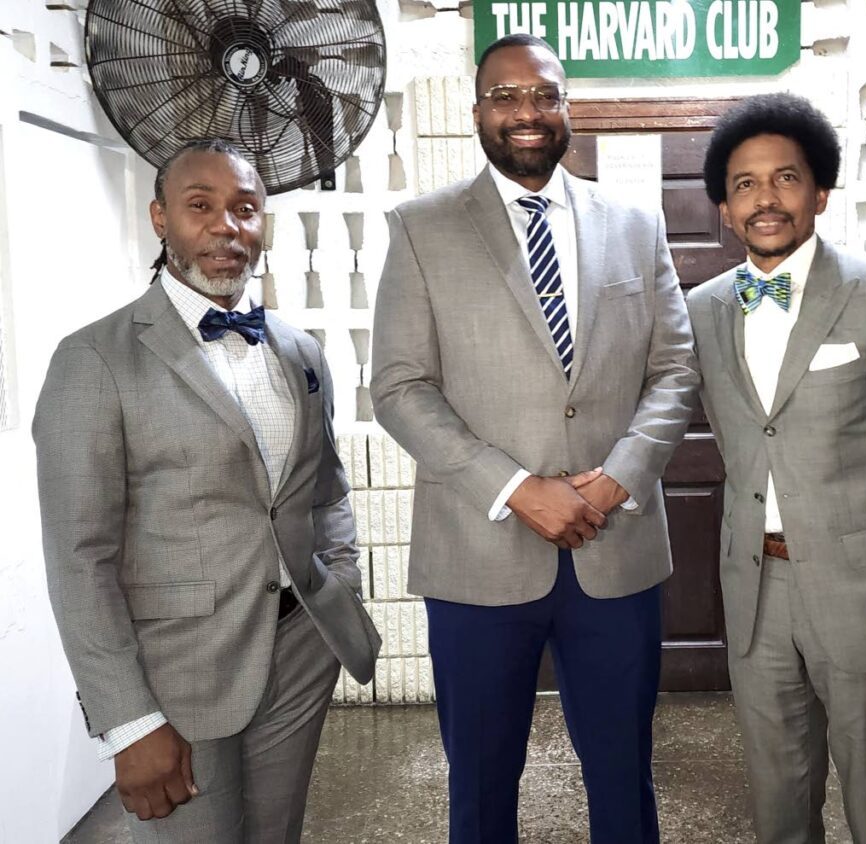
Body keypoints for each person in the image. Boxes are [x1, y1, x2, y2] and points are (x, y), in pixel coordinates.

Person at [370, 33, 699, 844]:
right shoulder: (421, 229)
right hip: (477, 559)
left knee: (623, 773)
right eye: (507, 96)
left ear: (566, 108)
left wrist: (619, 477)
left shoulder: (634, 224)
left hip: (614, 549)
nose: (527, 111)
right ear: (478, 111)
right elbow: (400, 388)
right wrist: (516, 488)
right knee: (481, 783)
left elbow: (676, 369)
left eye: (544, 95)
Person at [34, 138, 380, 843]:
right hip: (176, 676)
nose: (227, 226)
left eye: (245, 208)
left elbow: (325, 490)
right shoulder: (93, 359)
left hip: (300, 649)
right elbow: (79, 559)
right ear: (161, 218)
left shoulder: (299, 350)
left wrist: (339, 582)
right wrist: (129, 720)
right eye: (201, 206)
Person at [686, 93, 866, 843]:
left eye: (785, 178)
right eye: (745, 184)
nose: (765, 198)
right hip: (757, 591)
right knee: (779, 807)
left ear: (819, 192)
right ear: (724, 208)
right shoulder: (704, 308)